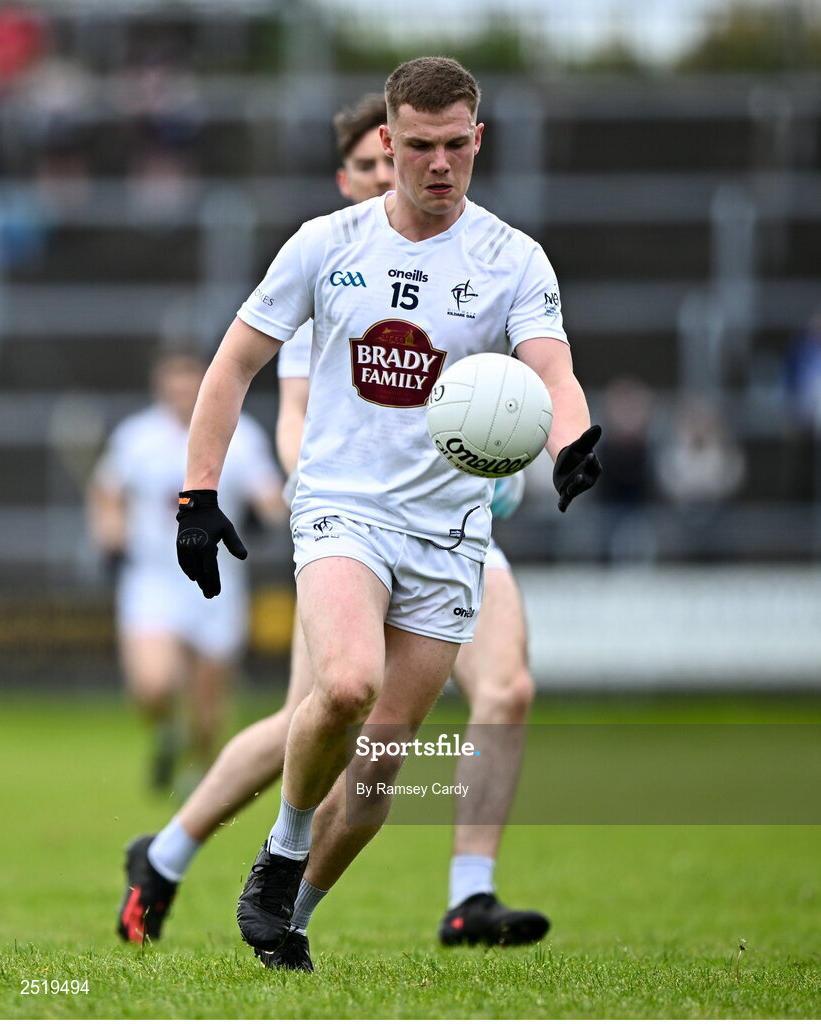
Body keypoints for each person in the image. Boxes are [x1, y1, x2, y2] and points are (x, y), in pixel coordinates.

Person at [174, 58, 600, 972]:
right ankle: (281, 853)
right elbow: (232, 364)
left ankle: (294, 911)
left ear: (477, 140)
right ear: (387, 143)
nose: (437, 164)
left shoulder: (511, 260)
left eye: (455, 146)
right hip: (342, 509)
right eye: (417, 147)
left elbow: (551, 370)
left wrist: (572, 440)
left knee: (380, 763)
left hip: (449, 533)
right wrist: (197, 495)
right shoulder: (327, 244)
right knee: (343, 685)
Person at [88, 348, 285, 790]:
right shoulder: (137, 437)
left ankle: (197, 770)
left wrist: (264, 514)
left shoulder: (241, 435)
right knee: (153, 686)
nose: (180, 396)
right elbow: (106, 493)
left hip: (215, 582)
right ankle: (165, 730)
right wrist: (112, 539)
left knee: (208, 705)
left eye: (189, 387)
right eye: (172, 387)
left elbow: (270, 495)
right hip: (153, 578)